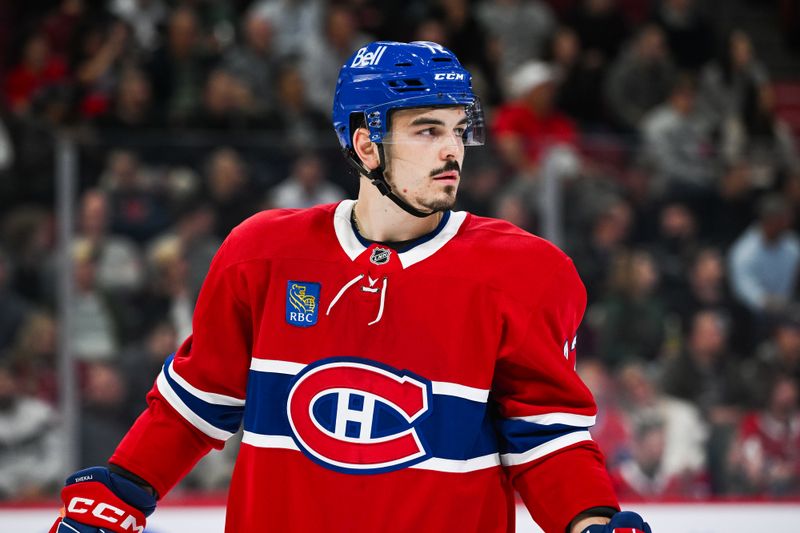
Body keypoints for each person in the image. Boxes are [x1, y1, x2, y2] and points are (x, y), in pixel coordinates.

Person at [50, 41, 651, 533]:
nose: (450, 150)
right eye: (424, 130)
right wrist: (120, 491)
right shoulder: (262, 255)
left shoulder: (523, 275)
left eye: (456, 129)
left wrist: (590, 523)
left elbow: (547, 443)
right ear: (365, 145)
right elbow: (196, 404)